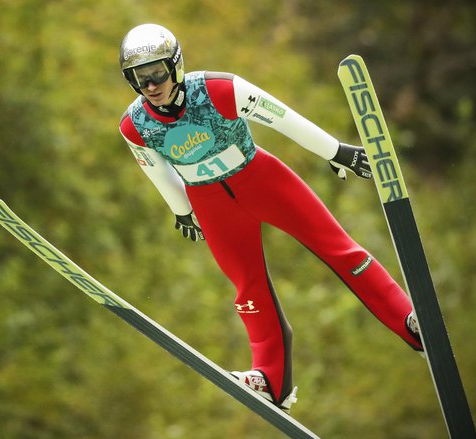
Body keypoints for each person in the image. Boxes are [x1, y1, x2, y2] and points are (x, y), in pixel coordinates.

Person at [118, 23, 423, 411]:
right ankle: (270, 379)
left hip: (261, 179)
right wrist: (182, 212)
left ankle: (410, 322)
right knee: (247, 290)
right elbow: (157, 172)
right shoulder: (135, 125)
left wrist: (334, 151)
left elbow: (282, 118)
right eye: (138, 79)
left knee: (338, 249)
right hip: (212, 205)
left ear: (175, 66)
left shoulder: (219, 90)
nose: (150, 86)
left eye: (157, 73)